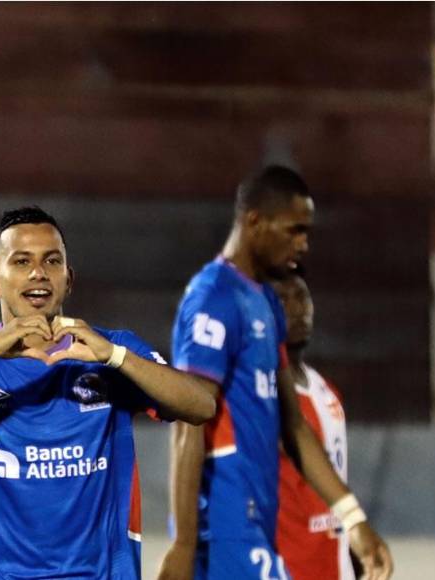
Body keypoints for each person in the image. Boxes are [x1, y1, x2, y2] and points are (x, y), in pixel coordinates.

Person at [0, 206, 217, 579]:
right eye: (21, 261)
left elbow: (201, 405)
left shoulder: (111, 351)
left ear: (68, 278)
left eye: (52, 261)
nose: (38, 273)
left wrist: (117, 357)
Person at [157, 166, 392, 580]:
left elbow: (294, 426)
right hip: (224, 525)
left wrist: (352, 519)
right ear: (254, 222)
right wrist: (183, 545)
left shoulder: (264, 299)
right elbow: (187, 423)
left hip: (257, 523)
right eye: (294, 230)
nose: (303, 243)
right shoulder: (214, 297)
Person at [272, 271, 356, 580]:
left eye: (302, 297)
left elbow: (336, 474)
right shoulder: (261, 395)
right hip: (286, 565)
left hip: (334, 564)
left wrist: (353, 539)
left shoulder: (326, 389)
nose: (298, 308)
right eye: (284, 300)